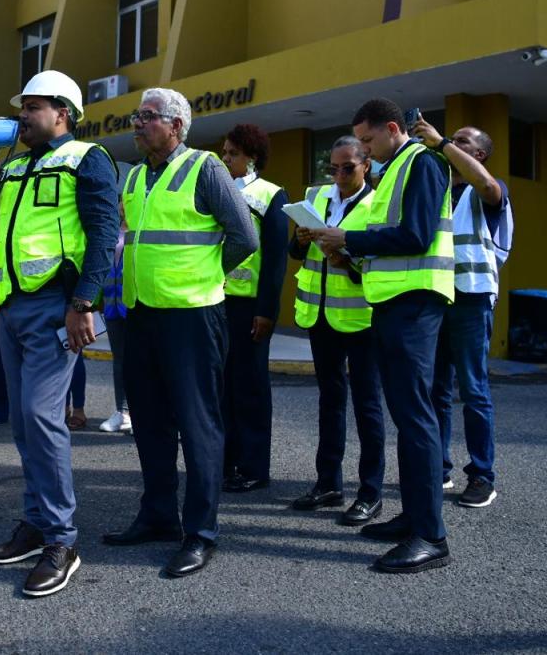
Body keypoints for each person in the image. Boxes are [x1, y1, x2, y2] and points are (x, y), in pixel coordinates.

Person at [0, 70, 119, 598]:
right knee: (22, 423)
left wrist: (84, 303)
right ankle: (36, 523)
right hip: (11, 306)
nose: (20, 118)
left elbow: (105, 233)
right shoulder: (14, 166)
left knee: (41, 417)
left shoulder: (87, 158)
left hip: (57, 309)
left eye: (30, 108)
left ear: (61, 111)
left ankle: (62, 540)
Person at [103, 88, 257, 578]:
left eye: (148, 117)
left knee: (198, 425)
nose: (138, 123)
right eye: (137, 115)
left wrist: (207, 276)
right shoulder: (135, 176)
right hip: (142, 313)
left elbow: (244, 238)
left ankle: (201, 532)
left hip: (192, 315)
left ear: (176, 125)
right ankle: (158, 516)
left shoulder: (205, 168)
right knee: (149, 421)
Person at [312, 99, 454, 574]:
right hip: (396, 304)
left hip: (415, 304)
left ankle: (430, 536)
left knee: (416, 419)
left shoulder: (423, 162)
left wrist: (350, 240)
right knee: (407, 417)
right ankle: (414, 518)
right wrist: (351, 254)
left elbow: (415, 236)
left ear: (393, 129)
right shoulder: (397, 168)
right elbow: (396, 239)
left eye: (369, 140)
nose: (365, 150)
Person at [412, 119, 514, 505]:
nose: (452, 143)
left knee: (473, 389)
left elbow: (487, 187)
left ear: (479, 154)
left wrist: (440, 143)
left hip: (471, 298)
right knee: (436, 390)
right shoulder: (440, 189)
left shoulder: (487, 190)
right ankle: (438, 470)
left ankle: (482, 475)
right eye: (451, 139)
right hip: (436, 297)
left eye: (462, 141)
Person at [289, 136, 385, 526]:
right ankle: (328, 482)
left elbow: (383, 267)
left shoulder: (378, 204)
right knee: (330, 401)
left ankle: (370, 492)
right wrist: (299, 239)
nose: (340, 175)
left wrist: (346, 260)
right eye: (334, 168)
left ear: (367, 167)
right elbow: (295, 254)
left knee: (367, 406)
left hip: (361, 321)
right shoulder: (318, 197)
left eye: (348, 168)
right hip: (321, 317)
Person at [219, 123, 288, 493]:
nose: (225, 158)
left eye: (233, 153)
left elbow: (276, 261)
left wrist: (267, 311)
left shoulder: (270, 195)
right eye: (225, 152)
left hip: (250, 309)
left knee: (250, 389)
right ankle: (226, 461)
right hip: (215, 301)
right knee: (221, 388)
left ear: (252, 158)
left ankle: (254, 467)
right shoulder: (216, 189)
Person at [99, 199, 131, 433]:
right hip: (112, 303)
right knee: (119, 359)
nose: (122, 206)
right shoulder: (113, 230)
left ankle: (140, 411)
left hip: (134, 304)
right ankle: (123, 412)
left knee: (141, 361)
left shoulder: (143, 228)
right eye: (121, 202)